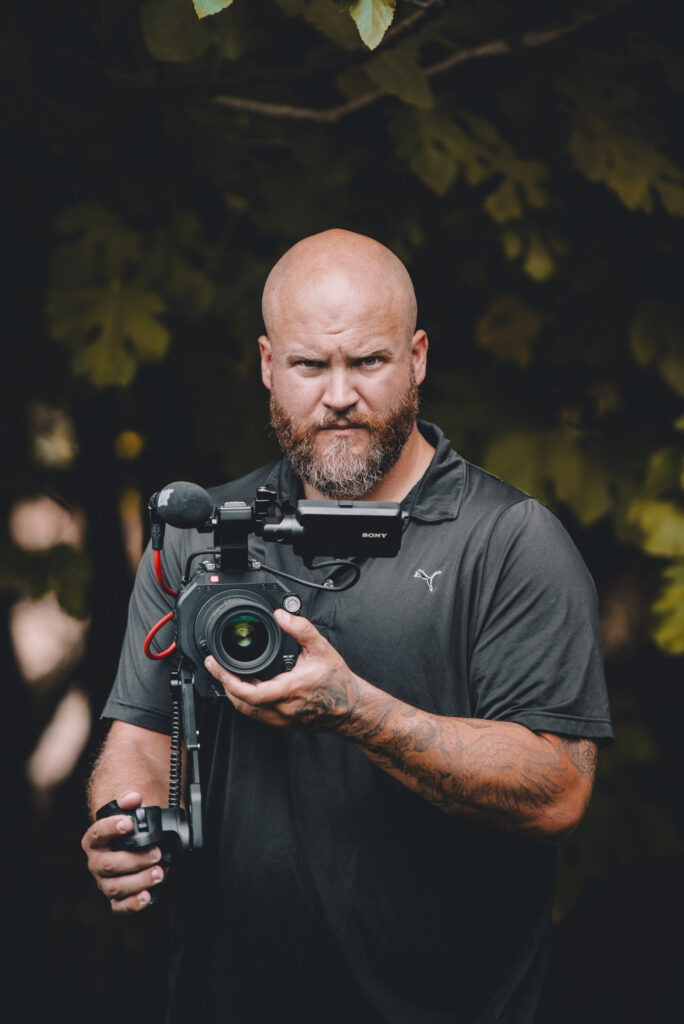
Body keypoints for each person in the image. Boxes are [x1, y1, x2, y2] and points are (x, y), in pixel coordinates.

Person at [82, 229, 613, 1023]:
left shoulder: (508, 542)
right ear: (268, 365)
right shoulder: (197, 536)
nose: (338, 395)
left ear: (418, 358)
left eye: (367, 362)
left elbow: (558, 790)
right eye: (309, 365)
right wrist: (125, 819)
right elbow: (143, 728)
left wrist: (357, 711)